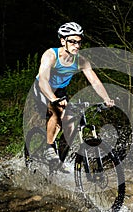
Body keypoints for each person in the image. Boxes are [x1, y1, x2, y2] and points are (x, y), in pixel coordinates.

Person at [35, 22, 114, 169]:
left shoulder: (81, 61)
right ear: (63, 41)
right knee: (57, 112)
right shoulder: (51, 55)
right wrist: (53, 99)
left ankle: (59, 161)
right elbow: (43, 80)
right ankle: (49, 148)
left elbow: (95, 81)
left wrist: (106, 98)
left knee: (70, 123)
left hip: (60, 91)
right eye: (72, 41)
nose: (76, 45)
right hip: (42, 89)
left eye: (79, 42)